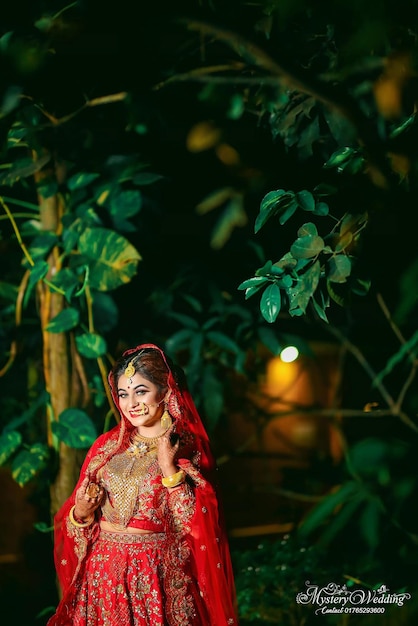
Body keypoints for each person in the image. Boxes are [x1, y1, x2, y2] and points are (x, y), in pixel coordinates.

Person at [47, 343, 238, 626]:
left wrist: (169, 468)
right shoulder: (107, 447)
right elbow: (78, 525)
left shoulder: (184, 447)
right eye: (124, 394)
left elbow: (197, 526)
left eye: (141, 391)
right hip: (101, 578)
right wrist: (83, 513)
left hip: (155, 578)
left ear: (165, 390)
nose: (131, 404)